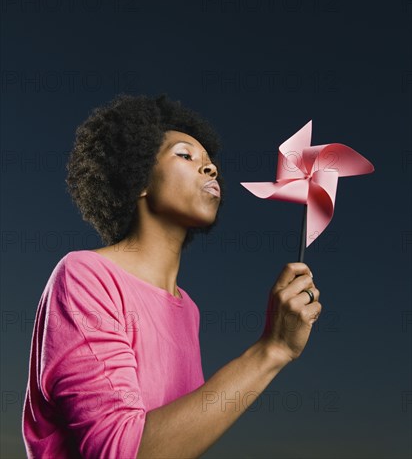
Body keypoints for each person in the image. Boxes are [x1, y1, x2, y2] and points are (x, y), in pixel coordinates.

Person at [22, 93, 322, 458]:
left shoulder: (188, 310)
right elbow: (119, 450)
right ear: (138, 180)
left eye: (211, 163)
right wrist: (271, 350)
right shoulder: (85, 276)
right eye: (186, 155)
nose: (211, 169)